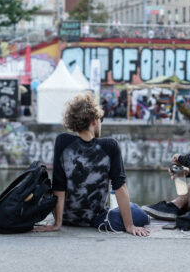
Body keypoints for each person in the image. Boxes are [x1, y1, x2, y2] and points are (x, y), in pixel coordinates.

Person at [34, 92, 150, 236]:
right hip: (95, 219)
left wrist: (57, 223)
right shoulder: (110, 146)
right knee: (141, 215)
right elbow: (120, 187)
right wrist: (130, 225)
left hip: (66, 218)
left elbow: (59, 185)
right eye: (100, 119)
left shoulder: (62, 141)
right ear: (94, 121)